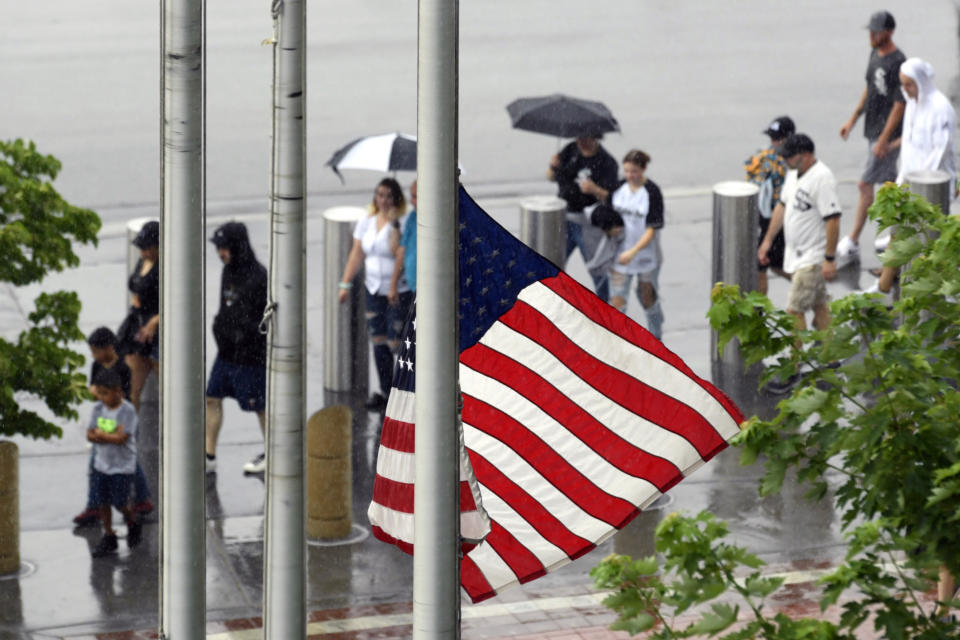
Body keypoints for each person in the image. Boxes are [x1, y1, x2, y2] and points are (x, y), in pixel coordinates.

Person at [871, 60, 957, 295]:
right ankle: (887, 282)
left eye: (909, 84)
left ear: (921, 82)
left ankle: (904, 286)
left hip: (930, 186)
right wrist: (893, 146)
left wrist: (920, 187)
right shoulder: (912, 103)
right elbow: (911, 138)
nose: (905, 89)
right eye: (903, 84)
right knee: (898, 231)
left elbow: (940, 152)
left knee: (925, 239)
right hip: (908, 179)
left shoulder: (940, 109)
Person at [836, 10, 906, 268]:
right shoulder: (875, 54)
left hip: (886, 135)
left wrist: (885, 140)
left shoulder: (898, 62)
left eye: (877, 31)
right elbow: (870, 89)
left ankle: (853, 240)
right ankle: (895, 234)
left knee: (866, 185)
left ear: (889, 32)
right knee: (889, 184)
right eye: (871, 31)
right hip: (873, 130)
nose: (872, 35)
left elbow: (899, 104)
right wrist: (853, 120)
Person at [338, 177, 413, 411]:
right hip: (373, 288)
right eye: (380, 195)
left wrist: (394, 228)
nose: (384, 200)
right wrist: (345, 283)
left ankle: (406, 390)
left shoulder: (402, 220)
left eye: (389, 196)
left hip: (397, 289)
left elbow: (397, 253)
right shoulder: (367, 221)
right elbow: (357, 253)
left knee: (396, 341)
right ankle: (385, 390)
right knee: (378, 340)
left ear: (396, 198)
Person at [758, 134, 842, 331]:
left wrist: (829, 258)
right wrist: (767, 241)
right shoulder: (793, 174)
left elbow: (833, 219)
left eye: (789, 156)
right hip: (797, 256)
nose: (785, 160)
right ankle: (831, 353)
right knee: (820, 306)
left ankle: (796, 359)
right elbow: (782, 206)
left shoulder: (822, 178)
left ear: (804, 155)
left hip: (812, 258)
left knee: (794, 311)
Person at [205, 222, 269, 475]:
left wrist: (244, 335)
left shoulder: (258, 276)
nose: (220, 253)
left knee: (260, 406)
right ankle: (208, 454)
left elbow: (259, 318)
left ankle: (272, 452)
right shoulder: (228, 271)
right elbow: (226, 306)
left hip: (249, 356)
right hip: (226, 351)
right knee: (212, 397)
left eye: (224, 247)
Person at [73, 328, 153, 527]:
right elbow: (94, 390)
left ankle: (134, 501)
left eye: (96, 351)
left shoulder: (123, 368)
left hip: (120, 419)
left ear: (108, 348)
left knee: (127, 461)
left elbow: (120, 395)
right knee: (101, 462)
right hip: (104, 418)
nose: (93, 355)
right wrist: (100, 393)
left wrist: (101, 393)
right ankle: (100, 504)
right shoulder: (96, 366)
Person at [547, 134, 620, 301]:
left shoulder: (607, 162)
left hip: (588, 223)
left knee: (597, 268)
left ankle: (605, 308)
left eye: (586, 138)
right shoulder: (570, 151)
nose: (581, 141)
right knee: (553, 264)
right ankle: (552, 302)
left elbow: (613, 197)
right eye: (579, 138)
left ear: (596, 137)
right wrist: (552, 167)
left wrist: (595, 189)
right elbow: (551, 177)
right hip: (563, 219)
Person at [605, 150, 666, 339]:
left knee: (647, 296)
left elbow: (651, 229)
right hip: (619, 254)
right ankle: (618, 341)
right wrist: (609, 228)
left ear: (643, 169)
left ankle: (656, 335)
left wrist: (633, 252)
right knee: (617, 300)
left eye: (634, 171)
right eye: (627, 171)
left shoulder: (652, 192)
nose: (630, 175)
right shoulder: (619, 188)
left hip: (644, 255)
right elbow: (607, 212)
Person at [86, 367, 143, 557]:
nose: (102, 397)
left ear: (118, 391)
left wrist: (101, 435)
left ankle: (132, 520)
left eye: (105, 393)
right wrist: (103, 435)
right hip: (102, 465)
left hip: (122, 467)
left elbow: (122, 438)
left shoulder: (127, 411)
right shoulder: (97, 409)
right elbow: (90, 434)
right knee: (102, 502)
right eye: (99, 393)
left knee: (119, 502)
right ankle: (109, 535)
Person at [745, 116, 795, 295]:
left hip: (778, 220)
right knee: (764, 265)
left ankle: (811, 290)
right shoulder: (769, 158)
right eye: (772, 138)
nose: (773, 142)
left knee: (772, 265)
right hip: (767, 217)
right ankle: (810, 289)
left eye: (777, 138)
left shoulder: (789, 161)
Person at [116, 220, 160, 410]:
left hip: (157, 330)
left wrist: (155, 321)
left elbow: (176, 300)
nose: (142, 252)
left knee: (171, 388)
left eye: (147, 248)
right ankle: (129, 434)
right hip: (138, 326)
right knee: (130, 389)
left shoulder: (167, 267)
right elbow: (135, 285)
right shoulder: (143, 261)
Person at [396, 179, 417, 294]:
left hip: (427, 285)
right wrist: (393, 283)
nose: (411, 201)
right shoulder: (412, 217)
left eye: (415, 197)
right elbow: (402, 249)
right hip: (411, 284)